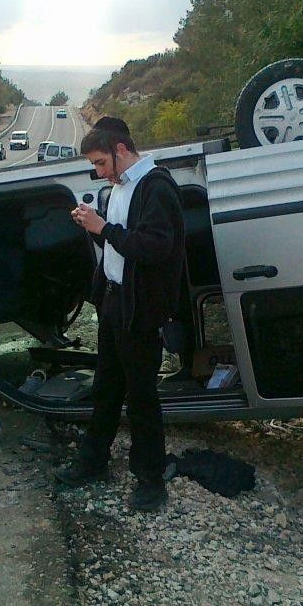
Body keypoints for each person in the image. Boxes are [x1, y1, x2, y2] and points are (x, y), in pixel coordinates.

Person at [57, 117, 185, 511]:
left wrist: (104, 228)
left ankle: (151, 480)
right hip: (115, 303)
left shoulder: (157, 187)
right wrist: (93, 227)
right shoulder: (120, 188)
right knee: (107, 388)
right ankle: (93, 462)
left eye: (100, 162)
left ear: (122, 150)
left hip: (140, 311)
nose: (98, 171)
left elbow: (154, 248)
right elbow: (119, 243)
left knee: (142, 396)